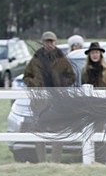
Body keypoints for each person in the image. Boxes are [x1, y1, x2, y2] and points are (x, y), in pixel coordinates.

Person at [24, 31, 76, 163]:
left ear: (55, 42)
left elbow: (71, 77)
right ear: (43, 43)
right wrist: (35, 84)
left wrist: (60, 84)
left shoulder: (62, 59)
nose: (49, 44)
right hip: (40, 103)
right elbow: (26, 76)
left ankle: (55, 162)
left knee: (57, 133)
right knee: (39, 132)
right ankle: (42, 162)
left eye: (51, 41)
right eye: (47, 41)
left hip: (57, 104)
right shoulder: (35, 59)